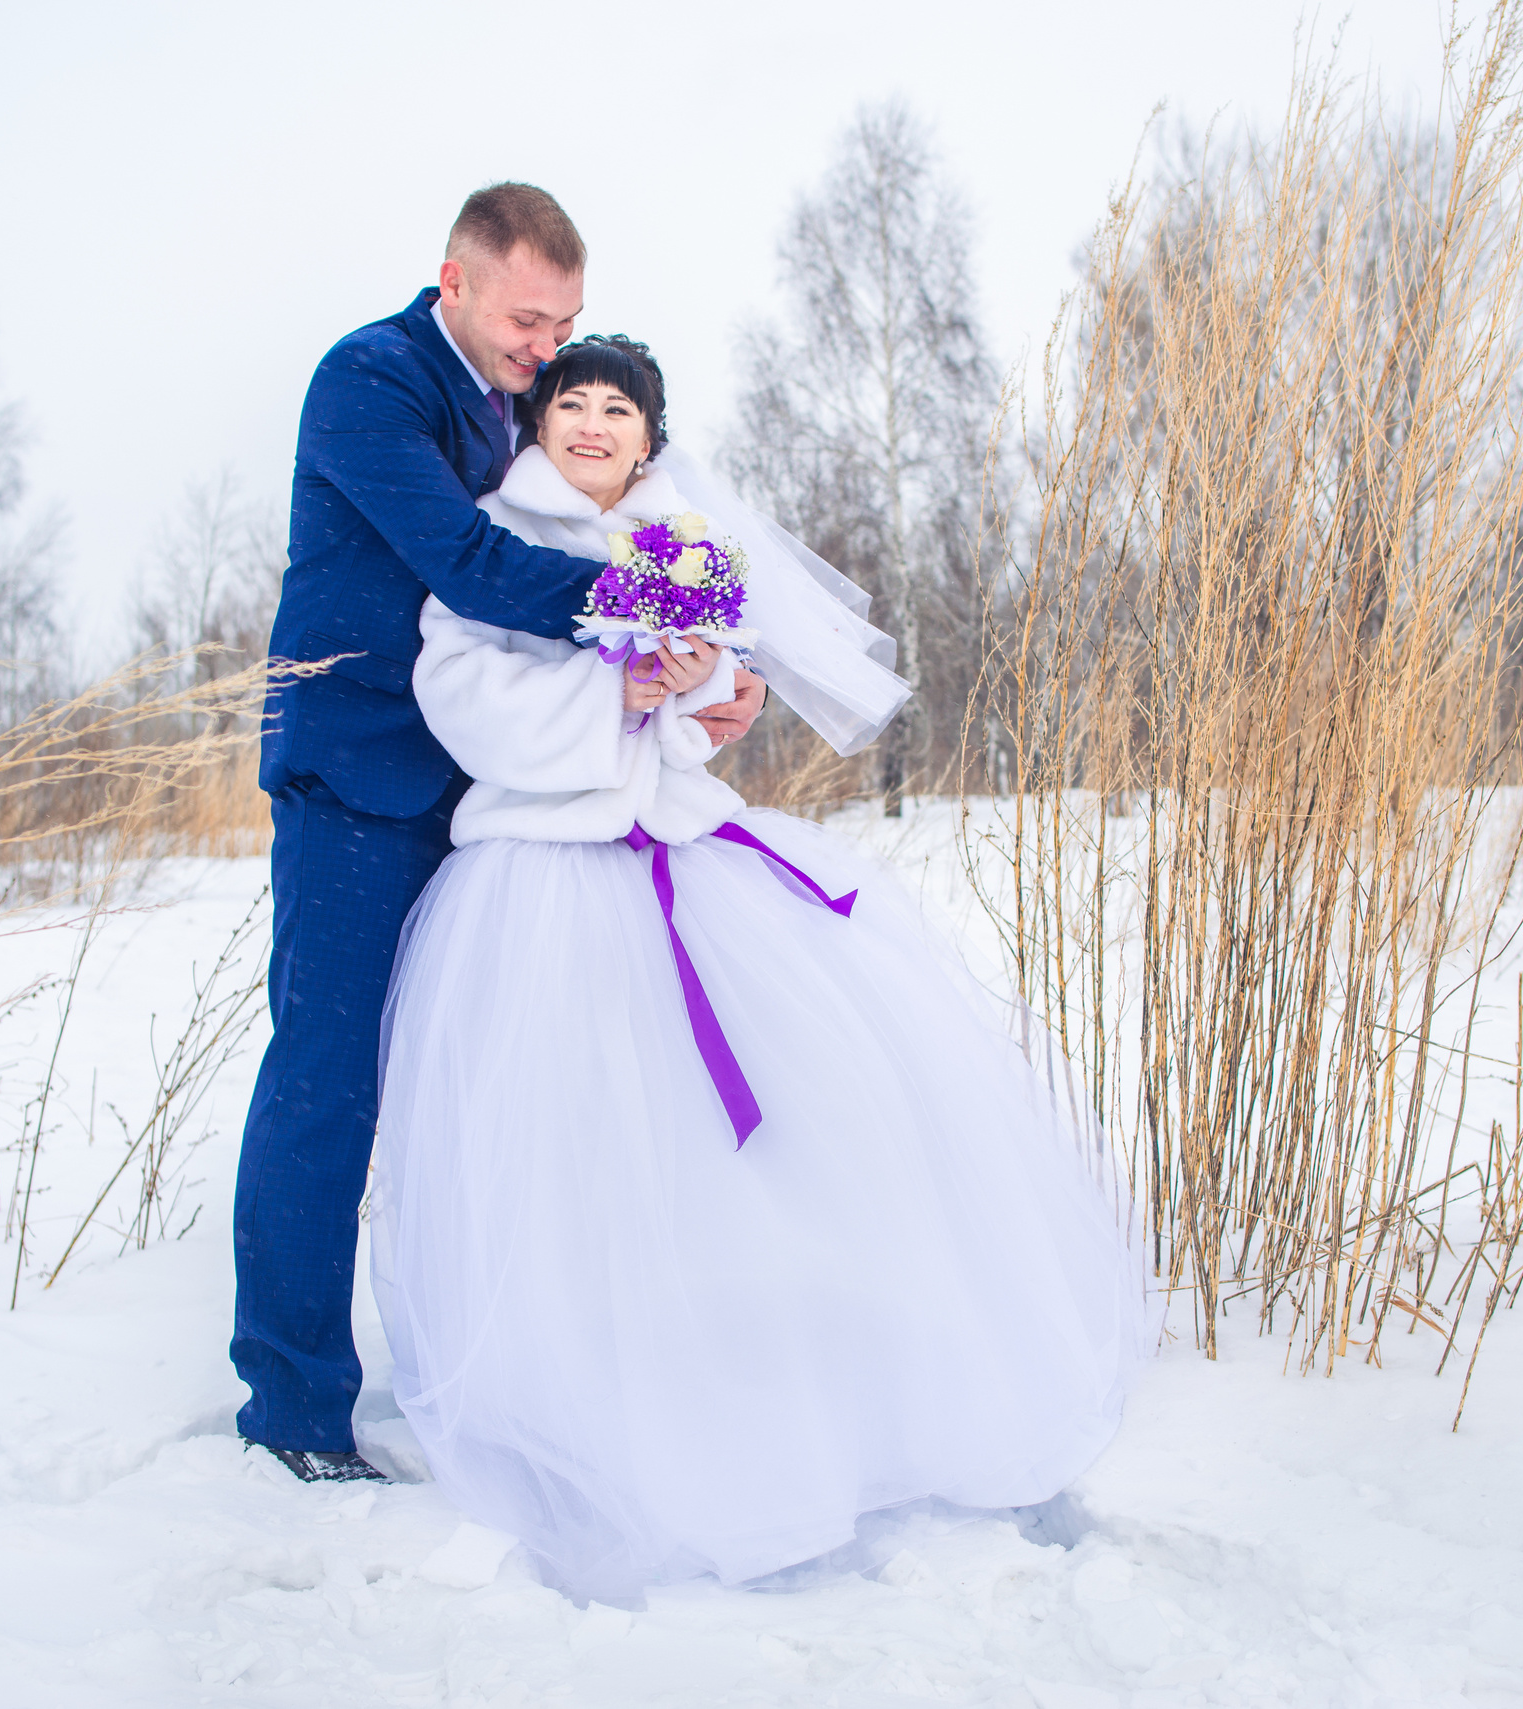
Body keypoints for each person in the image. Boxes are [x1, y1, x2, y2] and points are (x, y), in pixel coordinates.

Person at [369, 334, 1147, 1599]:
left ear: (650, 435)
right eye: (572, 403)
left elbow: (709, 714)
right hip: (538, 871)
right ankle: (569, 1376)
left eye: (619, 410)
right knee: (566, 1129)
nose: (593, 428)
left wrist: (700, 687)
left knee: (744, 1119)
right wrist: (612, 702)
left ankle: (745, 1362)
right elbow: (463, 698)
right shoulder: (489, 538)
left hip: (670, 849)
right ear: (538, 422)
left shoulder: (681, 541)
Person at [234, 186, 768, 1482]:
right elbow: (470, 566)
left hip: (491, 797)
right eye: (530, 318)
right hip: (360, 778)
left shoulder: (514, 408)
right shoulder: (371, 379)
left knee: (473, 1093)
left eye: (568, 322)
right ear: (455, 282)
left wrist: (705, 671)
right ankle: (295, 1410)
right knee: (332, 1082)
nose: (550, 345)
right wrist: (659, 601)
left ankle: (486, 1363)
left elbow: (587, 517)